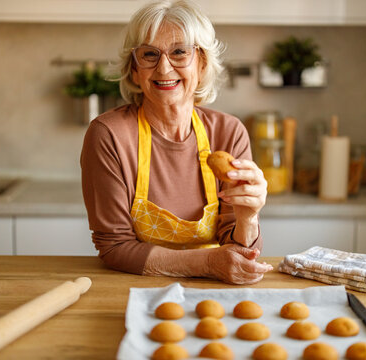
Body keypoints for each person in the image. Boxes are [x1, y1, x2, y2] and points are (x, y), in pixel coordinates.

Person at [81, 0, 272, 285]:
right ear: (134, 69)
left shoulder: (229, 132)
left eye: (180, 52)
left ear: (202, 62)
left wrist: (247, 218)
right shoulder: (109, 135)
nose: (164, 68)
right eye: (149, 54)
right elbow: (115, 246)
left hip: (214, 292)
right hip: (134, 291)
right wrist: (208, 262)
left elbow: (240, 257)